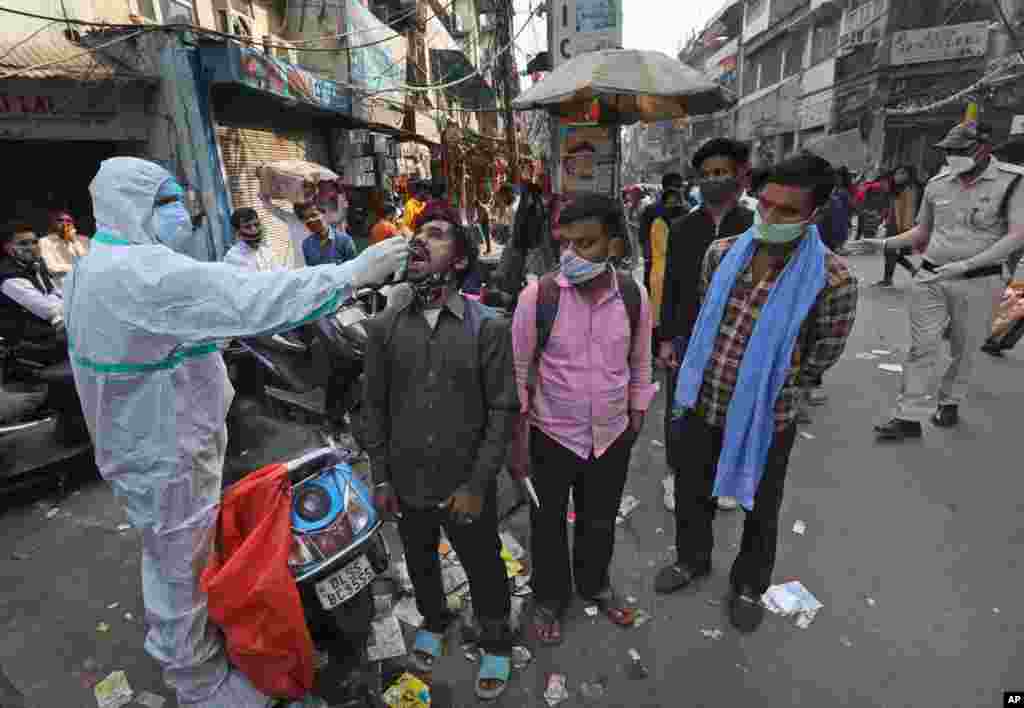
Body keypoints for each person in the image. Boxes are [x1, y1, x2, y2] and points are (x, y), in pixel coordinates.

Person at [65, 157, 408, 708]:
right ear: (134, 207)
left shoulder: (98, 266)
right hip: (164, 449)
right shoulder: (139, 274)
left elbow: (210, 307)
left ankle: (207, 646)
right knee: (181, 569)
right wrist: (353, 274)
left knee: (179, 557)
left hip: (153, 439)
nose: (182, 214)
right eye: (168, 203)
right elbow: (247, 297)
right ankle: (199, 683)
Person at [654, 154, 858, 635]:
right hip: (704, 399)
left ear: (814, 213)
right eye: (765, 204)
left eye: (787, 211)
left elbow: (823, 353)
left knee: (761, 507)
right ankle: (692, 559)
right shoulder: (721, 253)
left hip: (769, 414)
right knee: (691, 489)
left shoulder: (834, 280)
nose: (770, 217)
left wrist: (779, 387)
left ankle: (748, 584)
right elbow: (708, 321)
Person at [363, 203, 517, 700]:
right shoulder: (384, 327)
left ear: (460, 259)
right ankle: (435, 618)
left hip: (464, 482)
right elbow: (374, 407)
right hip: (408, 480)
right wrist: (381, 477)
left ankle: (496, 639)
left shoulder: (487, 327)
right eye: (417, 232)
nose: (419, 240)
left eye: (435, 234)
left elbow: (502, 411)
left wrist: (477, 484)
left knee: (484, 563)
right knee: (419, 557)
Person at [512, 193, 657, 645]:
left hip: (612, 436)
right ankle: (550, 597)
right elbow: (518, 372)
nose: (571, 255)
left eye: (586, 243)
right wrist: (519, 443)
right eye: (566, 244)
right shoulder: (539, 297)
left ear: (614, 244)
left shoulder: (633, 296)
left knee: (599, 520)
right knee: (547, 524)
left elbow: (641, 361)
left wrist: (636, 414)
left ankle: (595, 584)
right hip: (552, 436)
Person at [851, 120, 1024, 438]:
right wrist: (884, 243)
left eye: (960, 150)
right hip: (930, 276)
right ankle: (908, 416)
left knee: (965, 347)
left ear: (983, 148)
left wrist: (966, 265)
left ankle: (950, 400)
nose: (952, 156)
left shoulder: (1013, 182)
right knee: (922, 346)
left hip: (980, 280)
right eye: (948, 150)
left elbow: (1017, 235)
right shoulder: (938, 184)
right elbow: (922, 232)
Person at [658, 138, 755, 512]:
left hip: (736, 336)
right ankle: (675, 473)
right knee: (681, 406)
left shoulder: (752, 225)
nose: (714, 179)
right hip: (688, 334)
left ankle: (722, 475)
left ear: (738, 176)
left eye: (722, 172)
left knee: (730, 405)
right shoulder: (683, 227)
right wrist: (666, 338)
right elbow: (671, 285)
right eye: (708, 173)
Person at [0, 222, 65, 357]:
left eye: (35, 242)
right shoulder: (9, 276)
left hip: (43, 327)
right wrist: (65, 306)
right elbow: (48, 310)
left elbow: (54, 291)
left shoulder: (37, 263)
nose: (32, 247)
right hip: (24, 339)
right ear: (8, 248)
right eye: (23, 244)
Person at [646, 188, 684, 348]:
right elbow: (666, 249)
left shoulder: (681, 222)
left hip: (674, 275)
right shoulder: (659, 223)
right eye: (669, 203)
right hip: (660, 275)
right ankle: (657, 348)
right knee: (659, 314)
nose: (673, 206)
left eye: (676, 202)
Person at [875, 165, 920, 286]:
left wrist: (905, 229)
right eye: (897, 173)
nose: (898, 176)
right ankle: (910, 269)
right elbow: (891, 207)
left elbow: (909, 210)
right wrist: (884, 219)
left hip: (900, 226)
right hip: (892, 224)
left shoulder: (909, 189)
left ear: (908, 175)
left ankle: (888, 279)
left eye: (902, 173)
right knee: (890, 252)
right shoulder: (896, 189)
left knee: (890, 251)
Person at [639, 173, 684, 288]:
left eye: (679, 187)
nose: (679, 190)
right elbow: (644, 237)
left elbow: (643, 237)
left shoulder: (686, 210)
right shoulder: (651, 210)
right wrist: (649, 259)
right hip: (660, 265)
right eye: (677, 187)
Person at [38, 210, 89, 292]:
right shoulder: (44, 241)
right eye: (60, 220)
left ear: (73, 224)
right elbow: (51, 267)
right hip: (61, 287)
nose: (65, 223)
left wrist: (74, 241)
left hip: (83, 285)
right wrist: (79, 269)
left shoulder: (83, 240)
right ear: (54, 223)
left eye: (68, 221)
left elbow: (88, 262)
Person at [297, 202, 357, 267]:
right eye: (306, 218)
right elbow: (310, 270)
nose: (310, 220)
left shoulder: (345, 241)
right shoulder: (306, 244)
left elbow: (353, 268)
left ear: (324, 214)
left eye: (314, 215)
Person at [223, 207, 282, 272]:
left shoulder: (266, 251)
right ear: (237, 232)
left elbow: (279, 273)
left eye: (256, 224)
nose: (254, 229)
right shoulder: (232, 257)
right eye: (247, 226)